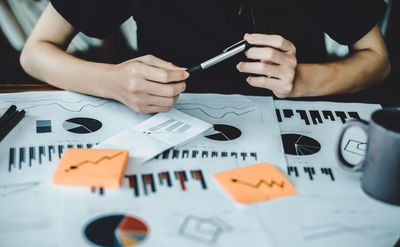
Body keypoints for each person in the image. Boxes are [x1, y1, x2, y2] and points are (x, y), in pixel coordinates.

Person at [20, 0, 390, 113]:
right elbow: (35, 53)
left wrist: (304, 80)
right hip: (167, 124)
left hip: (293, 125)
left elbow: (377, 58)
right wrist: (113, 81)